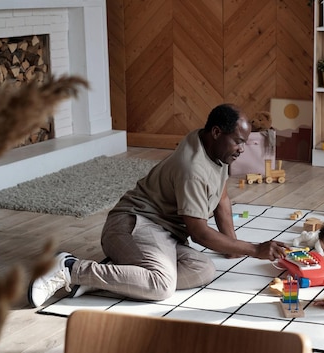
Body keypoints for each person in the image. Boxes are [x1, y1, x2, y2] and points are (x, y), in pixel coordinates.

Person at [28, 103, 288, 307]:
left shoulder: (213, 147)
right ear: (217, 132)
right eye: (238, 141)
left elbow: (221, 196)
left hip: (165, 234)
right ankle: (71, 269)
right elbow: (199, 233)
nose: (243, 148)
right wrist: (253, 249)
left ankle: (112, 276)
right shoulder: (192, 168)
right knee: (161, 285)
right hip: (132, 224)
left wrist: (233, 246)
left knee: (202, 269)